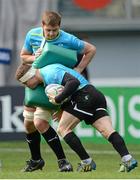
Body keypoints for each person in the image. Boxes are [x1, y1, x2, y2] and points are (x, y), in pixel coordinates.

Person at [15, 63, 138, 173]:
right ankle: (128, 159)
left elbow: (73, 82)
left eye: (25, 83)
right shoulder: (49, 72)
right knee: (107, 130)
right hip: (94, 94)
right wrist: (62, 107)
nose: (27, 86)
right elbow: (69, 87)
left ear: (30, 76)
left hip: (84, 95)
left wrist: (58, 99)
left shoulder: (49, 73)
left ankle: (87, 162)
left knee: (63, 129)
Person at [19, 11, 96, 172]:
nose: (52, 34)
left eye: (55, 30)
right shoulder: (32, 35)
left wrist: (78, 69)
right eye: (48, 30)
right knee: (28, 123)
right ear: (42, 26)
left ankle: (63, 161)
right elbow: (23, 57)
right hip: (35, 81)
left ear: (59, 27)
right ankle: (36, 160)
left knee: (40, 122)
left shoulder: (68, 39)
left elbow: (91, 49)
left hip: (53, 85)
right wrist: (34, 57)